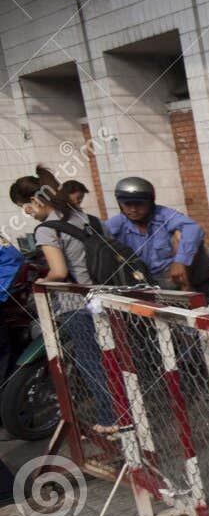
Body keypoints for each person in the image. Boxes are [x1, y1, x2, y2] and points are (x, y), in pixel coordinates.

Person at [8, 169, 117, 430]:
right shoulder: (86, 218)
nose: (26, 212)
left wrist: (40, 283)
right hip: (108, 298)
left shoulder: (46, 230)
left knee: (90, 361)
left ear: (36, 200)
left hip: (77, 304)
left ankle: (111, 419)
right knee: (113, 357)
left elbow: (59, 272)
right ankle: (125, 412)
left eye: (24, 206)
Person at [103, 176, 208, 290]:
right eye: (128, 205)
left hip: (172, 276)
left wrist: (180, 261)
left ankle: (188, 292)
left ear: (150, 202)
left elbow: (193, 228)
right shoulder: (113, 225)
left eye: (139, 204)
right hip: (138, 281)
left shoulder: (164, 214)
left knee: (181, 235)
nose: (133, 209)